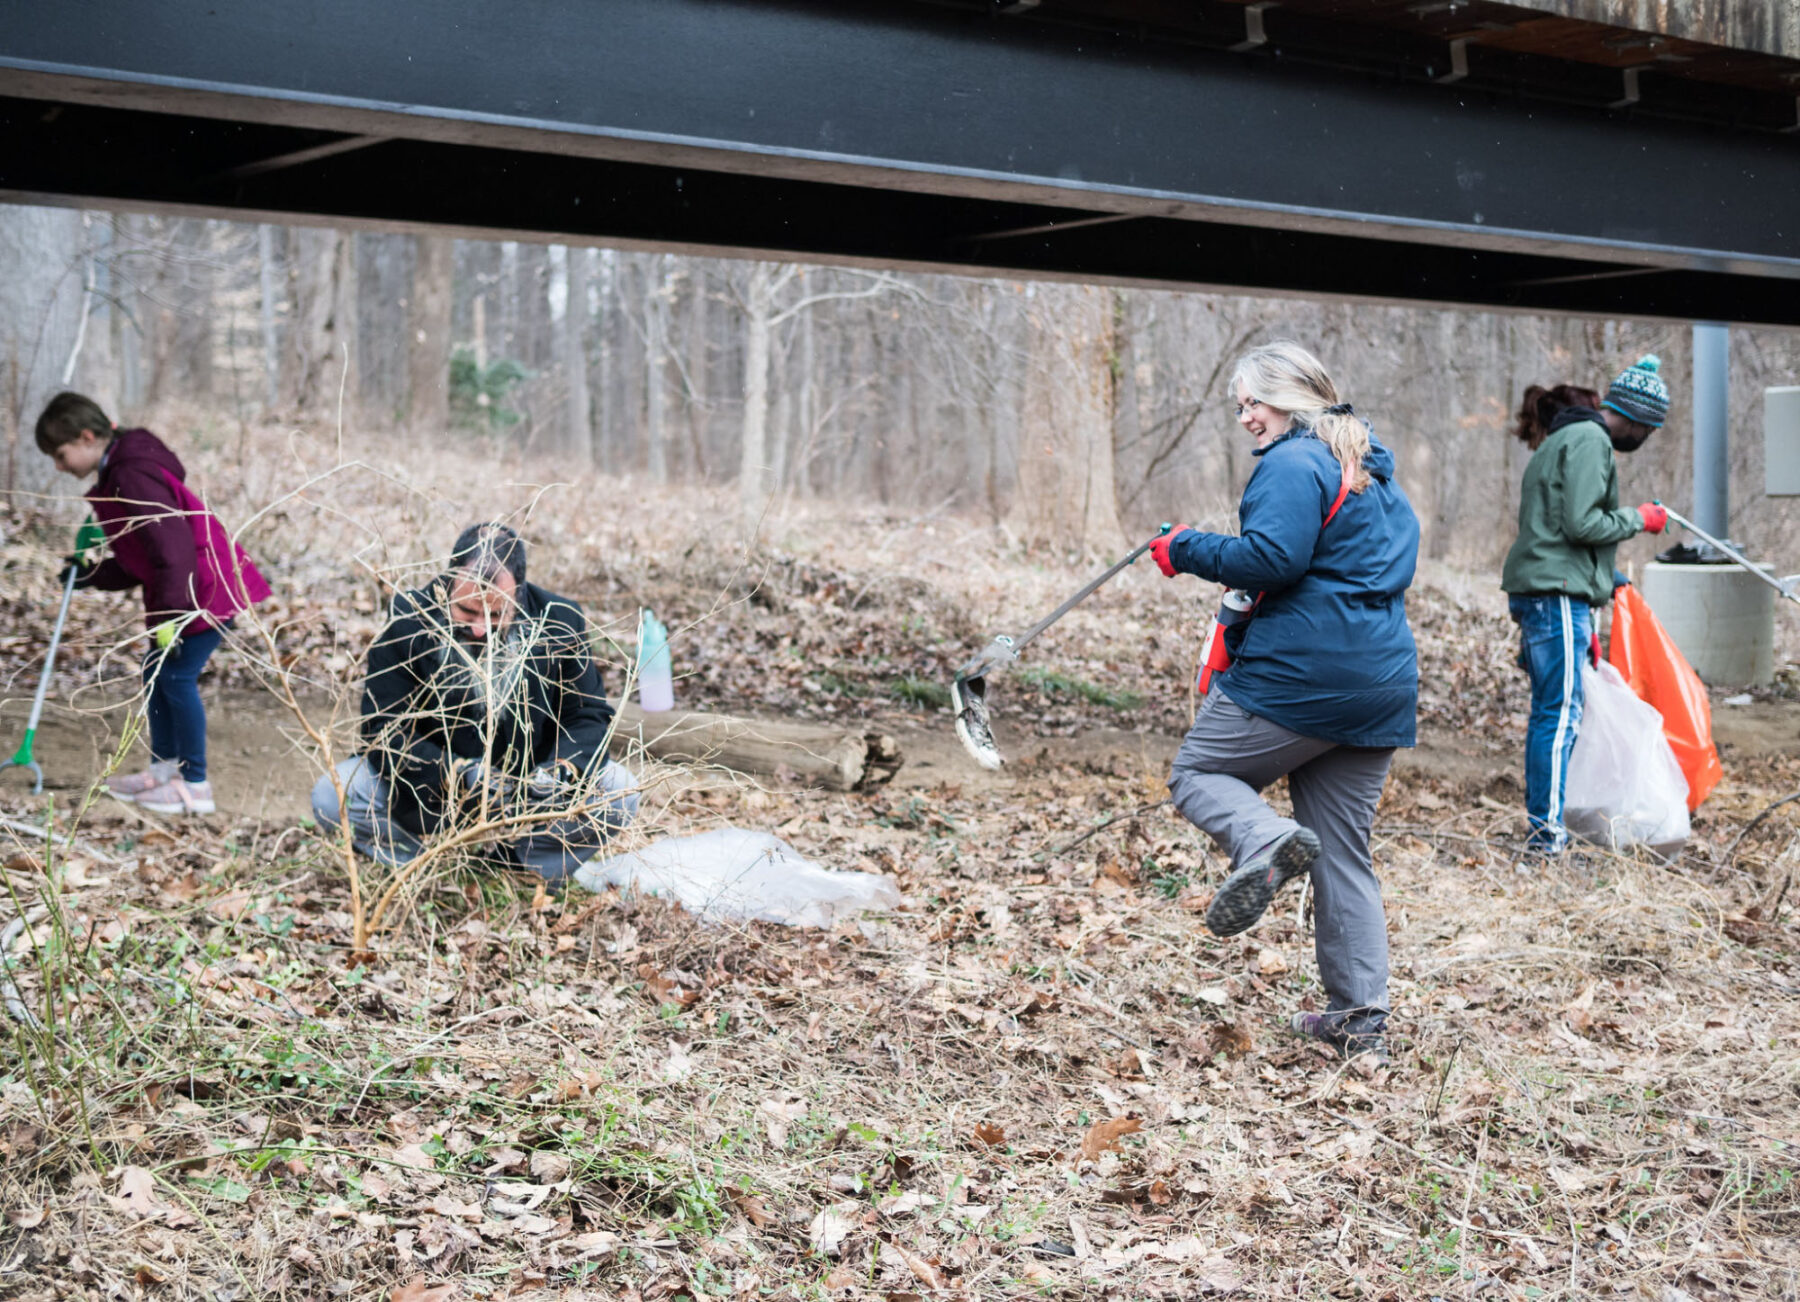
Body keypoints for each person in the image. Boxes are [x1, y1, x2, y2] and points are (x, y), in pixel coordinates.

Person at [1148, 341, 1419, 1063]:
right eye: (1239, 406)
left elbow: (1274, 558)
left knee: (1198, 773)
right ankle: (1360, 1023)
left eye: (1255, 402)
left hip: (1302, 678)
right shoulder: (1370, 471)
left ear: (1294, 398)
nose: (1246, 417)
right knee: (1344, 854)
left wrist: (1186, 548)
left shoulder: (1296, 462)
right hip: (1380, 686)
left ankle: (1263, 841)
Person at [311, 523, 639, 883]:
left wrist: (560, 771)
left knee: (619, 790)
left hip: (529, 787)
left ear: (519, 594)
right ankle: (426, 871)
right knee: (334, 796)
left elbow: (588, 715)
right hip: (431, 788)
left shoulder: (559, 619)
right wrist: (458, 774)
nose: (480, 629)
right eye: (467, 611)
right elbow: (384, 730)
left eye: (496, 614)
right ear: (449, 584)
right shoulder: (409, 618)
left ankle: (515, 868)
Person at [35, 391, 269, 815]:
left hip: (204, 590)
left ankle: (194, 785)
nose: (59, 466)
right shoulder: (119, 472)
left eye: (60, 455)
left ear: (87, 437)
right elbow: (140, 559)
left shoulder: (131, 474)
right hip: (188, 588)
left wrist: (171, 620)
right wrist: (89, 574)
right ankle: (163, 771)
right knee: (155, 670)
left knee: (176, 677)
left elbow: (174, 551)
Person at [1500, 355, 1670, 857]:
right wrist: (1639, 518)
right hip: (1555, 594)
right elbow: (1583, 524)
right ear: (1634, 419)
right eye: (1649, 429)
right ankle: (1546, 841)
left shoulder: (1563, 438)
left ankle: (1548, 829)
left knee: (1553, 713)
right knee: (1558, 717)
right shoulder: (1591, 440)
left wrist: (1596, 590)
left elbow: (1555, 528)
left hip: (1552, 591)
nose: (1646, 439)